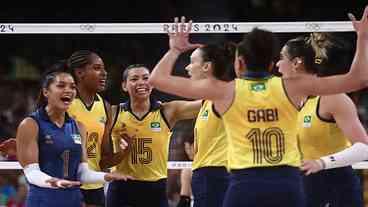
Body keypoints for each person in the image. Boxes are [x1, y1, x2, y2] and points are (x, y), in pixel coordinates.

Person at [148, 10, 368, 207]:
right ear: (272, 64)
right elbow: (358, 79)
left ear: (240, 63)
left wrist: (175, 50)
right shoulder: (293, 87)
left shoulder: (225, 91)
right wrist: (363, 38)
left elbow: (157, 80)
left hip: (245, 183)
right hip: (287, 182)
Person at [15, 68, 129, 207]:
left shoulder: (79, 127)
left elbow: (82, 173)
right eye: (61, 85)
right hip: (43, 201)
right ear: (46, 92)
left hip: (73, 201)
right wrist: (55, 182)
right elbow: (32, 173)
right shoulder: (30, 124)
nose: (68, 90)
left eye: (72, 87)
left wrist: (106, 177)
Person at [100, 64, 202, 207]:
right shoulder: (113, 113)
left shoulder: (167, 111)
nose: (141, 82)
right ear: (124, 85)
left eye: (146, 78)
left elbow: (205, 104)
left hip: (156, 188)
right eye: (134, 79)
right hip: (122, 187)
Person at [290, 33, 367, 206]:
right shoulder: (298, 99)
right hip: (306, 183)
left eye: (281, 58)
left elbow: (364, 148)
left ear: (296, 64)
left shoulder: (333, 98)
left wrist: (322, 163)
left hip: (336, 184)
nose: (278, 65)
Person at [66, 50, 110, 207]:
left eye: (104, 68)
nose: (104, 73)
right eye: (97, 68)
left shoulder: (104, 105)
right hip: (68, 183)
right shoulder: (64, 103)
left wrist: (126, 149)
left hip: (94, 185)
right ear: (79, 73)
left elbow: (105, 156)